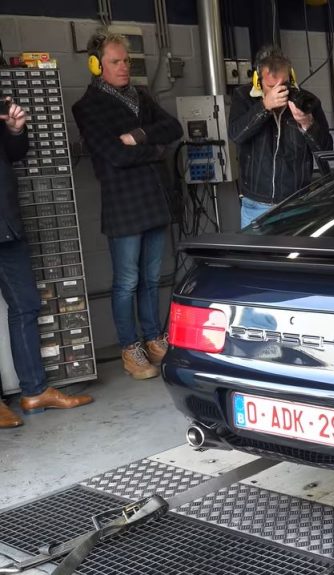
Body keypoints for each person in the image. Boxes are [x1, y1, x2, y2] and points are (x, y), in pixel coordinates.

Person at [72, 32, 183, 380]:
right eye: (116, 62)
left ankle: (152, 338)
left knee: (151, 278)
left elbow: (173, 127)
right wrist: (155, 151)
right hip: (123, 204)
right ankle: (129, 348)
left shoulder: (142, 96)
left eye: (127, 61)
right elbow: (115, 156)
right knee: (126, 281)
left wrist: (139, 136)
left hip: (153, 199)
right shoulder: (88, 107)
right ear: (96, 65)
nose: (124, 67)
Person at [0, 96, 93, 428]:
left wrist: (14, 131)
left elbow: (11, 155)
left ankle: (34, 391)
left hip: (6, 224)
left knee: (26, 304)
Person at [229, 46, 331, 228]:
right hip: (255, 205)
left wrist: (308, 124)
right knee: (254, 257)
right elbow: (236, 135)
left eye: (283, 84)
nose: (278, 91)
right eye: (271, 86)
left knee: (296, 256)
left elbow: (326, 150)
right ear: (258, 81)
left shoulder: (307, 101)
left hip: (296, 203)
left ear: (291, 78)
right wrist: (263, 107)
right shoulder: (243, 98)